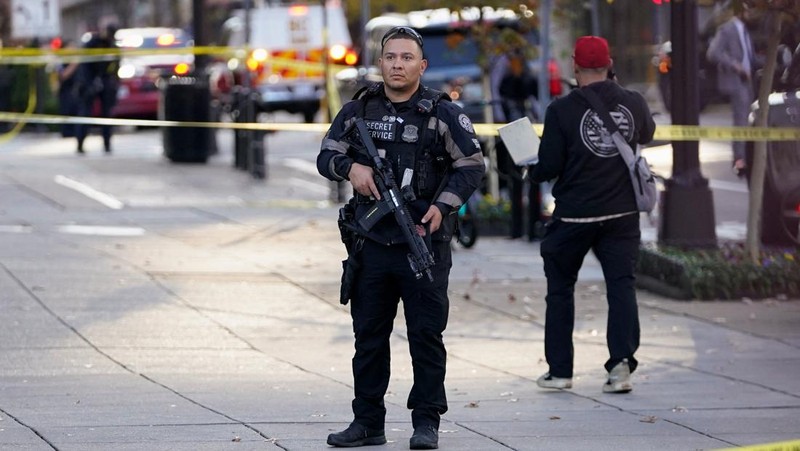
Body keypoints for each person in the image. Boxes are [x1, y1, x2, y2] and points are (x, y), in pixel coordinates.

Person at [317, 26, 485, 449]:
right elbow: (327, 154)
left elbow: (471, 164)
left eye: (407, 58)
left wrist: (442, 205)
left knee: (425, 336)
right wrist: (350, 170)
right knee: (368, 337)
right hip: (371, 246)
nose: (397, 64)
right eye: (391, 57)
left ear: (421, 65)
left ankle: (426, 422)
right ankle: (368, 421)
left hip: (423, 243)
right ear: (381, 62)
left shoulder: (440, 113)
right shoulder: (358, 111)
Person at [528, 36, 655, 394]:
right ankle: (620, 367)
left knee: (560, 290)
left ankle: (560, 371)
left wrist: (529, 169)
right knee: (621, 286)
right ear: (610, 62)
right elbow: (647, 132)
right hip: (622, 213)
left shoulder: (561, 109)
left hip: (574, 217)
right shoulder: (633, 102)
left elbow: (549, 165)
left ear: (575, 66)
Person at [706, 0, 760, 177]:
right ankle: (739, 160)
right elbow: (713, 53)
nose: (751, 13)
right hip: (736, 81)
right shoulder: (727, 29)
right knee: (740, 121)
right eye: (748, 8)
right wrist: (735, 66)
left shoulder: (744, 30)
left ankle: (745, 157)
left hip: (748, 81)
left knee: (747, 120)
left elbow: (749, 57)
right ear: (741, 10)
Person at [74, 24, 120, 154]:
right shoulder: (92, 43)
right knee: (85, 113)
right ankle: (80, 144)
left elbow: (116, 64)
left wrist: (114, 82)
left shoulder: (112, 46)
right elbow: (84, 65)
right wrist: (88, 84)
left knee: (106, 115)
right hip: (89, 81)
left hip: (105, 81)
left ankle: (107, 144)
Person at [57, 40, 81, 138]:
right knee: (66, 111)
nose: (72, 49)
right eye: (70, 47)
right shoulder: (61, 61)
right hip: (65, 90)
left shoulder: (77, 60)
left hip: (76, 90)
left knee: (76, 111)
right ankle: (66, 132)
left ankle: (76, 132)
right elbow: (63, 75)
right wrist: (73, 64)